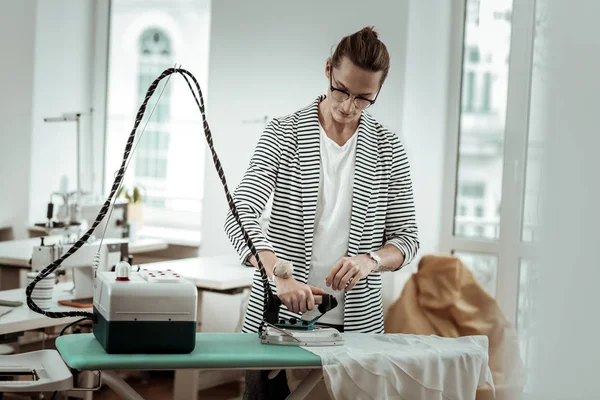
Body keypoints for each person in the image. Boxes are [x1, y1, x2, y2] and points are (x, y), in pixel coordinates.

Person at [224, 26, 419, 399]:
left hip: (356, 331)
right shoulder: (283, 133)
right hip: (276, 324)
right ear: (328, 69)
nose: (348, 106)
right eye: (341, 90)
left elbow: (407, 239)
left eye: (364, 98)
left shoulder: (389, 149)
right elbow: (240, 211)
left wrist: (370, 261)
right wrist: (279, 274)